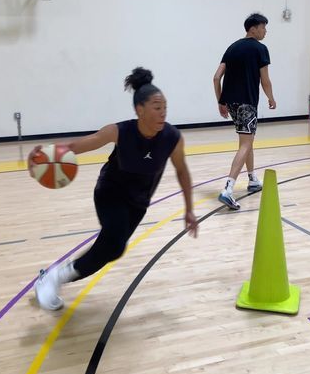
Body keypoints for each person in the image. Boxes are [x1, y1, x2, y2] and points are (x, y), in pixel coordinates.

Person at [28, 67, 198, 311]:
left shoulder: (172, 137)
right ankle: (54, 278)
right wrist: (44, 152)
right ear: (140, 110)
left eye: (165, 108)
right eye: (157, 107)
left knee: (113, 249)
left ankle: (55, 275)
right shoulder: (120, 131)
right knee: (113, 242)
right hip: (111, 192)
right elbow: (80, 145)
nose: (163, 113)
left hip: (138, 202)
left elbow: (182, 170)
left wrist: (189, 209)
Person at [213, 13, 276, 210]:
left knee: (247, 141)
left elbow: (216, 78)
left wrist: (220, 102)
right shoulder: (260, 49)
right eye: (263, 27)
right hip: (247, 103)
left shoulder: (232, 48)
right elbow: (265, 79)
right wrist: (271, 98)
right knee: (245, 143)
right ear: (253, 28)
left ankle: (252, 179)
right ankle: (228, 190)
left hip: (231, 102)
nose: (265, 31)